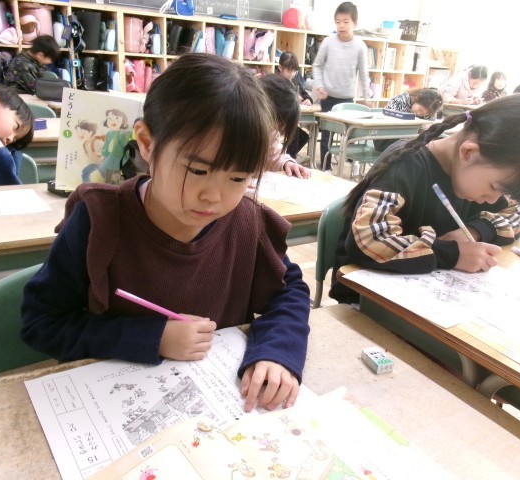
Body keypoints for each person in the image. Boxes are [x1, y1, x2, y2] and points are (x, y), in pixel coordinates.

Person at [20, 54, 311, 413]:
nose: (214, 196)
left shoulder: (247, 223)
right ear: (146, 142)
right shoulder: (98, 221)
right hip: (116, 407)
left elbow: (289, 291)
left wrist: (278, 351)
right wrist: (152, 337)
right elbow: (42, 323)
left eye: (238, 178)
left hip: (218, 408)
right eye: (198, 170)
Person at [328, 94, 520, 304]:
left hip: (430, 299)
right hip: (366, 300)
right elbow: (368, 241)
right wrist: (452, 254)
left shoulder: (477, 177)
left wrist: (477, 230)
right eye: (495, 188)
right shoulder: (406, 165)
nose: (494, 200)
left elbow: (517, 216)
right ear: (468, 152)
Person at [312, 1, 370, 172]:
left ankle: (352, 165)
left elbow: (363, 72)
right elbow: (317, 65)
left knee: (349, 136)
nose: (341, 26)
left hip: (347, 99)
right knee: (326, 136)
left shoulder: (360, 46)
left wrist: (366, 97)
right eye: (338, 22)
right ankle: (326, 168)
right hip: (328, 97)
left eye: (346, 22)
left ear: (355, 24)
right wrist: (319, 86)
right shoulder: (328, 42)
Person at [260, 74, 311, 179]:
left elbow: (274, 156)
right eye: (276, 123)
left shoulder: (271, 131)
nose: (275, 130)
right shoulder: (232, 127)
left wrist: (286, 163)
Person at [374, 88, 443, 152]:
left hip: (409, 140)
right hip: (386, 138)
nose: (418, 114)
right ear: (417, 98)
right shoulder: (400, 100)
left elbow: (429, 129)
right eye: (420, 110)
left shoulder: (430, 110)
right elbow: (387, 122)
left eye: (423, 114)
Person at [277, 51, 312, 162]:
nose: (291, 74)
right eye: (288, 70)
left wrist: (308, 99)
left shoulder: (295, 81)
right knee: (295, 133)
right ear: (280, 68)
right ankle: (289, 159)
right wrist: (292, 97)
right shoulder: (275, 81)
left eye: (294, 71)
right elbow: (277, 99)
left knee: (304, 136)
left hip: (290, 117)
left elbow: (305, 94)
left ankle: (286, 157)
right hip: (278, 119)